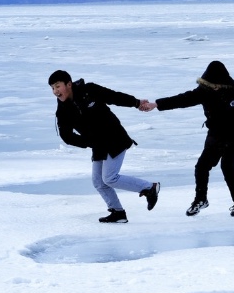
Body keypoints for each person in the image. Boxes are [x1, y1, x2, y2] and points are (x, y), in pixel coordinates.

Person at [140, 61, 234, 217]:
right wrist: (156, 104)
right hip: (216, 132)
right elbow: (183, 99)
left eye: (217, 85)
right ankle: (201, 199)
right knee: (201, 166)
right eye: (211, 84)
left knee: (227, 165)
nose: (214, 87)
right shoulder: (204, 91)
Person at [48, 69, 159, 223]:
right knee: (98, 182)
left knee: (110, 178)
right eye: (52, 88)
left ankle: (149, 187)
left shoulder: (90, 90)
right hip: (98, 145)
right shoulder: (63, 110)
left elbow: (114, 97)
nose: (55, 91)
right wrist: (89, 142)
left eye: (57, 86)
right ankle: (118, 212)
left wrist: (136, 102)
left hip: (115, 137)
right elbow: (66, 136)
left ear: (68, 84)